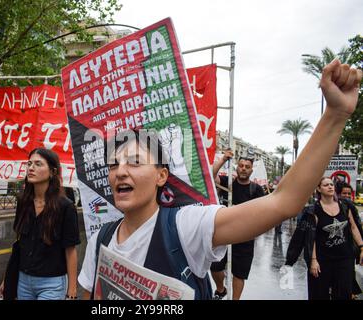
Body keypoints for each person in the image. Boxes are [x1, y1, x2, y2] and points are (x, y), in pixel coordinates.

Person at [78, 59, 362, 300]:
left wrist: (335, 115)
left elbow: (283, 202)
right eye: (114, 164)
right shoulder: (100, 241)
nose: (121, 171)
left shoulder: (186, 226)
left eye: (135, 162)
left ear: (162, 176)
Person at [0, 148, 80, 300]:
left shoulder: (66, 207)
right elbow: (18, 245)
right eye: (29, 164)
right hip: (23, 282)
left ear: (52, 172)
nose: (31, 168)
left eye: (38, 164)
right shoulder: (23, 202)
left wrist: (72, 290)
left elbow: (70, 250)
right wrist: (7, 278)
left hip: (52, 284)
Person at [286, 177, 363, 300]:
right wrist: (313, 260)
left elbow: (353, 228)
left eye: (331, 184)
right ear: (318, 189)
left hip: (344, 259)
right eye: (326, 185)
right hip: (323, 261)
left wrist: (361, 247)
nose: (330, 187)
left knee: (343, 294)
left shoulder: (344, 206)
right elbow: (312, 238)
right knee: (319, 294)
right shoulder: (313, 211)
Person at [210, 151, 265, 300]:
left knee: (239, 273)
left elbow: (263, 213)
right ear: (236, 168)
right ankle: (221, 290)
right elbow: (210, 176)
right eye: (241, 165)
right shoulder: (228, 183)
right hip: (223, 234)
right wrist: (222, 160)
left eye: (247, 166)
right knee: (215, 266)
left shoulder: (257, 190)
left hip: (245, 237)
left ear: (251, 170)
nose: (243, 168)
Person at [335, 182, 363, 299]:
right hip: (336, 248)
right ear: (337, 194)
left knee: (349, 272)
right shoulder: (334, 208)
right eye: (344, 193)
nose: (346, 196)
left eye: (348, 193)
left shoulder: (352, 208)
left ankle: (349, 292)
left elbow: (356, 227)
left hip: (350, 248)